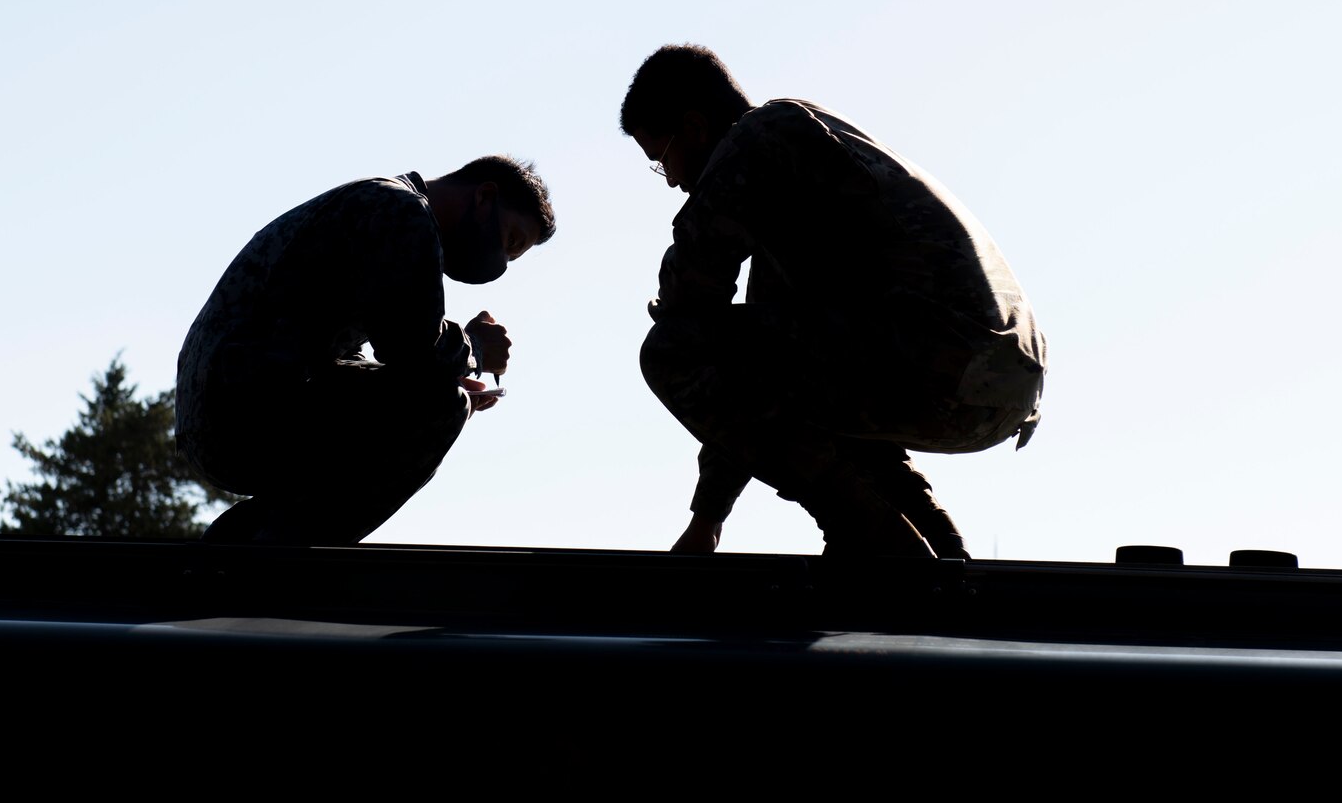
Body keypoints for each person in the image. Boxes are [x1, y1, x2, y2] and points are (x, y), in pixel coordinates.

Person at [621, 45, 1045, 558]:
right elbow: (756, 368)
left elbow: (692, 299)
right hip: (990, 378)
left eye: (661, 157)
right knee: (795, 379)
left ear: (694, 126)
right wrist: (709, 519)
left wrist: (672, 309)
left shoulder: (760, 138)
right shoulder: (798, 166)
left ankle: (867, 532)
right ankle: (931, 543)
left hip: (942, 356)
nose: (669, 179)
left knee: (669, 349)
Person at [176, 155, 555, 544]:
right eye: (510, 241)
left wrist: (445, 374)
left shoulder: (385, 204)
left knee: (436, 395)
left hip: (223, 405)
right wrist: (474, 348)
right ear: (484, 197)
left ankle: (246, 540)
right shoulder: (401, 211)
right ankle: (278, 557)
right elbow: (414, 345)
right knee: (443, 406)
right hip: (238, 409)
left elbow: (354, 353)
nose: (501, 263)